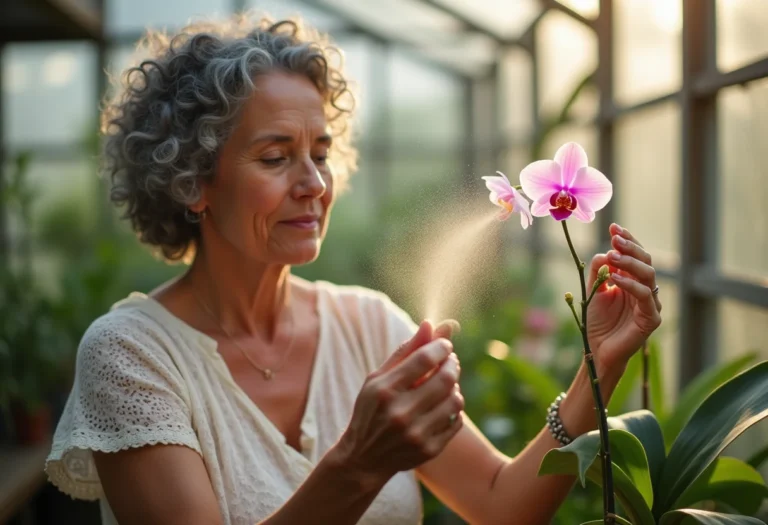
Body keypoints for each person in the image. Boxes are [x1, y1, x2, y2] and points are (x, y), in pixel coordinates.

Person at [46, 15, 662, 525]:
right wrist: (359, 461)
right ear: (193, 182)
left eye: (320, 154)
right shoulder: (131, 357)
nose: (313, 184)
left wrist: (597, 367)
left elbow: (501, 504)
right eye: (275, 157)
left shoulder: (368, 324)